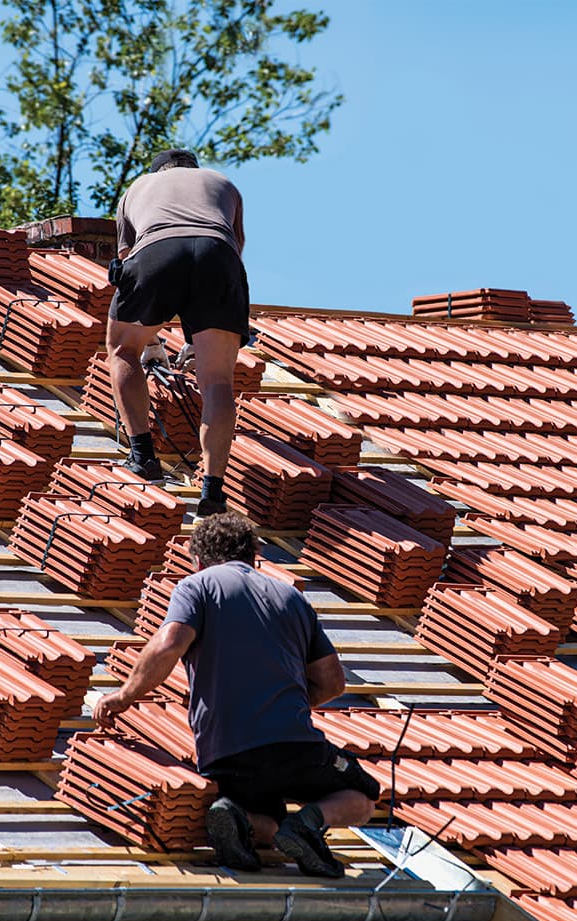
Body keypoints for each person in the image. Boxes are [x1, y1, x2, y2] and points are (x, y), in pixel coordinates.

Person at [92, 513, 379, 877]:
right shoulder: (291, 597)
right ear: (253, 554)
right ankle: (308, 823)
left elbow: (168, 645)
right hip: (294, 746)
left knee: (262, 816)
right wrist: (281, 702)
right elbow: (333, 682)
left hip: (227, 755)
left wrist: (123, 696)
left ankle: (239, 816)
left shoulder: (196, 586)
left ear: (198, 560)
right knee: (364, 796)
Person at [107, 147, 248, 517]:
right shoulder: (223, 183)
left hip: (158, 252)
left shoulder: (138, 187)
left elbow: (128, 259)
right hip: (218, 257)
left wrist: (149, 339)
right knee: (217, 380)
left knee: (121, 350)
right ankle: (213, 492)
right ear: (192, 169)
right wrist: (196, 337)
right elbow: (236, 247)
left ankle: (143, 457)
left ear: (159, 171)